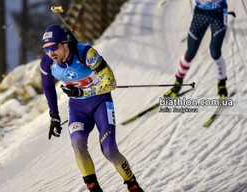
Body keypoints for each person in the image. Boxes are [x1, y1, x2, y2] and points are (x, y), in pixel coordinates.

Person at [40, 24, 144, 192]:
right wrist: (54, 115)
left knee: (109, 150)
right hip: (77, 108)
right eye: (46, 49)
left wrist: (83, 91)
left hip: (100, 103)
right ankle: (93, 187)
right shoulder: (47, 63)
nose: (50, 53)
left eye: (53, 47)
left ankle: (132, 185)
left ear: (64, 43)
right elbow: (48, 87)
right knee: (77, 142)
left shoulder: (86, 54)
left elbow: (110, 82)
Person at [165, 0, 229, 98]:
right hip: (200, 13)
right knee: (190, 52)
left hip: (218, 12)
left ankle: (222, 84)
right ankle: (177, 84)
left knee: (215, 51)